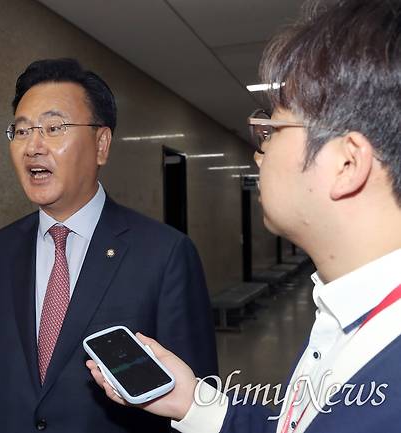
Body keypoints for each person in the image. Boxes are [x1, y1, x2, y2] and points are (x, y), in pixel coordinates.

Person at [87, 1, 401, 432]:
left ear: (347, 164)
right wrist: (191, 400)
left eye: (273, 130)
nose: (259, 152)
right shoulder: (346, 316)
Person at [0, 58, 218, 433]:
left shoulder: (166, 255)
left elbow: (196, 408)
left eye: (53, 128)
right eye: (22, 130)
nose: (33, 146)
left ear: (101, 144)